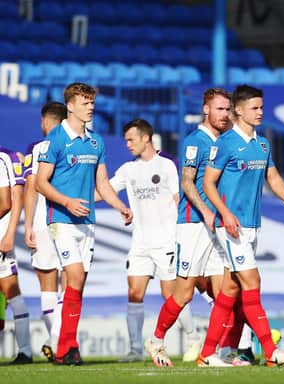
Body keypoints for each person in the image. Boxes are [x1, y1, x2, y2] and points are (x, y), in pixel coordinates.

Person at [199, 84, 284, 367]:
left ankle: (208, 353)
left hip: (252, 226)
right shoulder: (224, 144)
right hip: (230, 225)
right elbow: (207, 183)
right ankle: (271, 351)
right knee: (252, 283)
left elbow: (274, 176)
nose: (260, 112)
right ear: (239, 110)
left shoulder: (262, 143)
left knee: (230, 290)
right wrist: (225, 213)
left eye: (261, 107)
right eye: (255, 108)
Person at [36, 82, 133, 365]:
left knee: (77, 287)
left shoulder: (96, 142)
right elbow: (41, 183)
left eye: (92, 102)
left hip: (87, 223)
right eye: (85, 102)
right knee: (75, 276)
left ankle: (65, 347)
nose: (90, 107)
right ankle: (69, 345)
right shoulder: (55, 139)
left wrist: (120, 206)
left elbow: (102, 183)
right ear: (70, 105)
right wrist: (66, 201)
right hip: (62, 219)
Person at [144, 88, 234, 367]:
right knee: (183, 293)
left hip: (216, 225)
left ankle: (216, 352)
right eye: (220, 109)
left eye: (228, 109)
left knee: (225, 292)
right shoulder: (195, 141)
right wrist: (206, 211)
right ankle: (156, 340)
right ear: (206, 110)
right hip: (194, 224)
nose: (225, 114)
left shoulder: (227, 141)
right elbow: (187, 182)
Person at [101, 118, 201, 362]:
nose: (127, 144)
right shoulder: (128, 170)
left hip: (167, 242)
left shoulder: (167, 166)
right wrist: (73, 199)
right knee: (134, 293)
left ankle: (193, 339)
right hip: (140, 244)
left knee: (172, 296)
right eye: (126, 139)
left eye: (130, 139)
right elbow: (104, 190)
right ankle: (135, 350)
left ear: (146, 138)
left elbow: (180, 199)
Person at [23, 101, 67, 361]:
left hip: (43, 221)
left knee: (48, 287)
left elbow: (31, 187)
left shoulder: (38, 148)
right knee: (70, 285)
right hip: (73, 221)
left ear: (46, 121)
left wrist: (27, 225)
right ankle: (60, 342)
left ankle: (58, 343)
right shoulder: (81, 144)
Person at [0, 145, 31, 364]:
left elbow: (5, 202)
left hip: (1, 238)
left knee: (12, 292)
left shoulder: (4, 158)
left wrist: (9, 234)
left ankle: (26, 351)